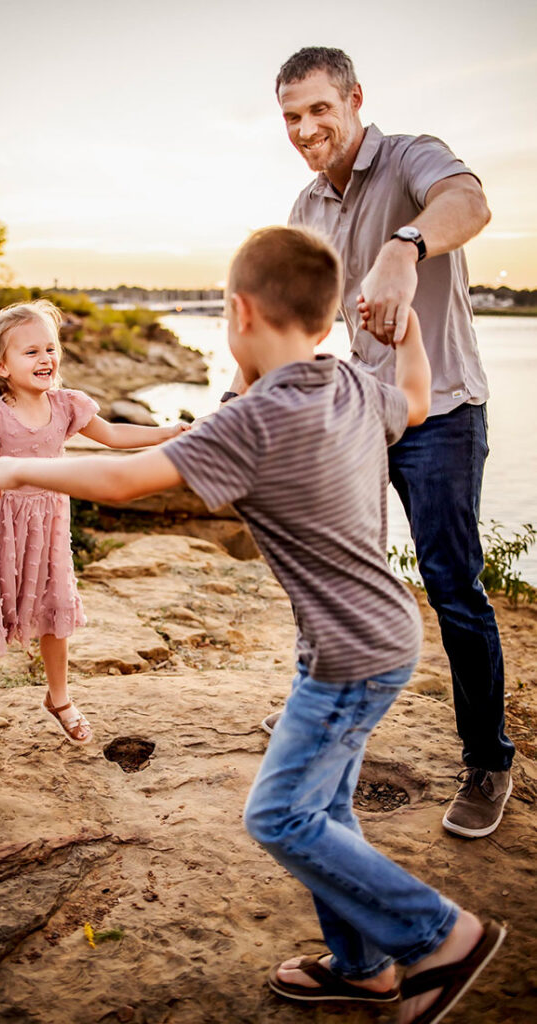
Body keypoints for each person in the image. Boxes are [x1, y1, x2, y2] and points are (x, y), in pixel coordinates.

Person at [0, 229, 505, 1024]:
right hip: (377, 636)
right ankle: (361, 967)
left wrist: (15, 468)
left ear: (238, 311)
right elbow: (421, 399)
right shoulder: (355, 386)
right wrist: (412, 329)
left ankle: (439, 937)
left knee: (280, 815)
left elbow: (122, 479)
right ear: (328, 321)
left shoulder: (251, 421)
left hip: (348, 657)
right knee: (326, 809)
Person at [250, 46, 513, 840]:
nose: (305, 129)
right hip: (359, 411)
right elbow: (303, 319)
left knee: (452, 584)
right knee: (331, 576)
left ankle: (488, 761)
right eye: (292, 117)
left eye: (319, 110)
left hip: (442, 415)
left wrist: (405, 248)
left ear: (355, 98)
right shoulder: (305, 206)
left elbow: (469, 202)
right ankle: (321, 725)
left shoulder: (411, 159)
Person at [0, 298, 187, 777]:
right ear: (0, 365)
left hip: (47, 530)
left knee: (55, 613)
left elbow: (112, 435)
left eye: (50, 347)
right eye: (30, 352)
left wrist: (167, 432)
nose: (46, 358)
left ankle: (59, 697)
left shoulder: (67, 405)